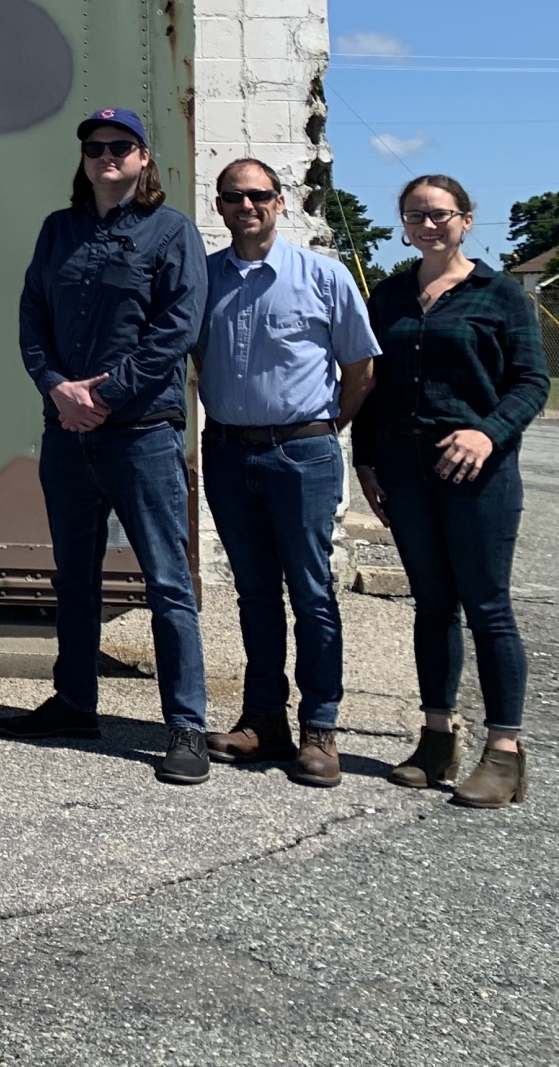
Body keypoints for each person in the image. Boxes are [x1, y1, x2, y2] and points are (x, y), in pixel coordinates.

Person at [3, 107, 211, 783]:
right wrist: (58, 386)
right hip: (68, 434)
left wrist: (106, 393)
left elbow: (177, 327)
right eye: (96, 147)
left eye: (122, 146)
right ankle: (73, 700)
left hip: (143, 435)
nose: (107, 155)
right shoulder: (58, 231)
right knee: (74, 578)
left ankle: (185, 724)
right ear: (84, 158)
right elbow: (32, 316)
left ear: (145, 158)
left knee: (167, 582)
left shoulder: (172, 232)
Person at [354, 174, 550, 809]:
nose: (428, 224)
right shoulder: (387, 296)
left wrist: (488, 434)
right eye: (415, 215)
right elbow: (368, 383)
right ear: (405, 225)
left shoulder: (498, 295)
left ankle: (505, 753)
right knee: (432, 605)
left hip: (478, 475)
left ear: (466, 220)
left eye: (440, 214)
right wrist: (366, 461)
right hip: (405, 472)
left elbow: (530, 381)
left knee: (487, 606)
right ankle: (437, 739)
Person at [191, 157, 379, 786]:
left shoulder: (324, 277)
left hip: (303, 454)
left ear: (280, 202)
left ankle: (320, 728)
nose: (247, 207)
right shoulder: (204, 280)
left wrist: (321, 434)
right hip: (227, 451)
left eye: (259, 196)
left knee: (312, 592)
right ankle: (263, 719)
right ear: (219, 207)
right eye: (233, 198)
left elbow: (360, 372)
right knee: (254, 594)